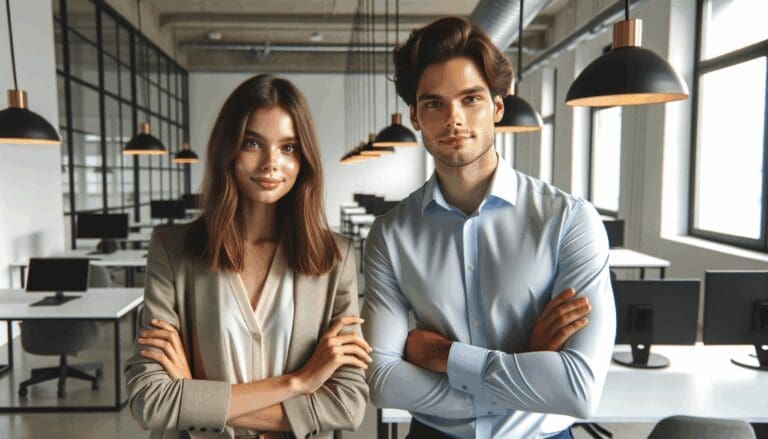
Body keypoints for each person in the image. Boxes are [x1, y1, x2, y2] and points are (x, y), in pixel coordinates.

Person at [361, 17, 616, 438]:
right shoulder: (390, 235)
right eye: (434, 103)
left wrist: (446, 356)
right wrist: (527, 363)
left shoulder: (569, 220)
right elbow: (383, 379)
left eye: (470, 99)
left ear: (497, 107)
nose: (454, 119)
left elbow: (578, 389)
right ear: (416, 116)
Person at [124, 74, 370, 439]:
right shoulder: (172, 251)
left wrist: (194, 396)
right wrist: (297, 382)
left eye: (288, 147)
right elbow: (152, 400)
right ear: (228, 150)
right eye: (252, 143)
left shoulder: (336, 257)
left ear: (304, 159)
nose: (272, 163)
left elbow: (347, 405)